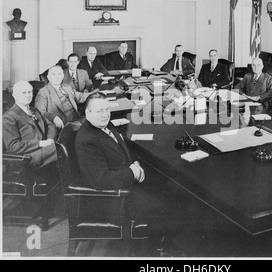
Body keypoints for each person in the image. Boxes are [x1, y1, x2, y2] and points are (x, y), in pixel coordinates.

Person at [75, 93, 186, 255]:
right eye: (99, 111)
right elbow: (101, 180)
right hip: (116, 201)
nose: (105, 114)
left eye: (107, 109)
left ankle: (161, 243)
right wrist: (131, 172)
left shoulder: (103, 125)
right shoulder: (87, 140)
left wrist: (133, 165)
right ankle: (154, 250)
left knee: (175, 194)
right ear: (88, 113)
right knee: (168, 207)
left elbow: (117, 153)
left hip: (126, 186)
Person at [3, 81, 58, 168]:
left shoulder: (35, 110)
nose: (28, 95)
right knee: (61, 149)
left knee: (66, 143)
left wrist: (50, 140)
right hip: (26, 157)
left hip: (44, 150)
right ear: (15, 96)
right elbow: (13, 146)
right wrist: (40, 144)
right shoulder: (8, 117)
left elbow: (50, 125)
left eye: (30, 92)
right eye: (24, 93)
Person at [35, 65, 90, 129]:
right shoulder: (43, 92)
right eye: (54, 74)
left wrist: (98, 93)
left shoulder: (67, 87)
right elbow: (39, 112)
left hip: (77, 120)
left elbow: (80, 96)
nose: (57, 77)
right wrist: (53, 117)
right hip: (63, 126)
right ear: (48, 77)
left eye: (59, 74)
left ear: (63, 76)